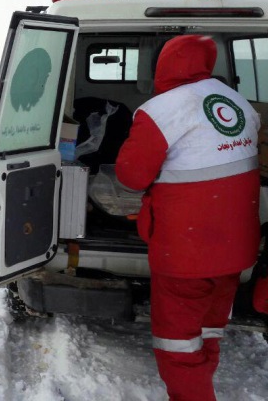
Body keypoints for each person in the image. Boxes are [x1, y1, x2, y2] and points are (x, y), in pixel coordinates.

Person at [115, 35, 261, 401]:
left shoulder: (161, 110)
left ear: (163, 66)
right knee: (209, 328)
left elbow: (131, 175)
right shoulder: (238, 102)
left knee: (177, 345)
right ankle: (202, 380)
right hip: (235, 249)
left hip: (186, 253)